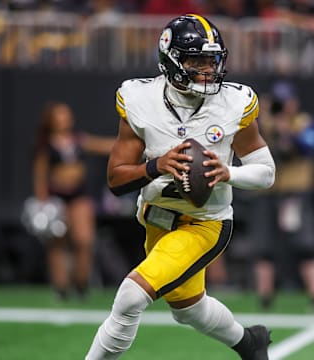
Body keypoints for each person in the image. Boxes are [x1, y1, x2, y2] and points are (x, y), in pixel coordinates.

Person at [85, 14, 276, 359]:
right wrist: (156, 166)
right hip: (157, 218)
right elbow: (116, 179)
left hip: (206, 222)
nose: (207, 69)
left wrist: (228, 172)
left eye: (212, 60)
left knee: (130, 296)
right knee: (188, 308)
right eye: (196, 60)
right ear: (170, 60)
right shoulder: (140, 99)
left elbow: (266, 172)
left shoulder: (234, 103)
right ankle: (251, 344)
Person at [32, 101, 114, 299]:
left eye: (66, 114)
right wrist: (43, 203)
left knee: (84, 240)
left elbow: (105, 146)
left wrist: (133, 142)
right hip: (56, 198)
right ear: (50, 120)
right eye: (59, 115)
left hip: (79, 196)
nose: (65, 118)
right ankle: (61, 287)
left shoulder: (78, 140)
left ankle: (81, 283)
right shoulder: (46, 145)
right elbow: (40, 176)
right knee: (57, 244)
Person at [252, 80, 314, 309]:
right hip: (268, 192)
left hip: (294, 193)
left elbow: (304, 147)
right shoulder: (264, 125)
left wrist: (285, 129)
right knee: (264, 246)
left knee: (304, 245)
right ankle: (265, 298)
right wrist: (267, 119)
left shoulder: (303, 123)